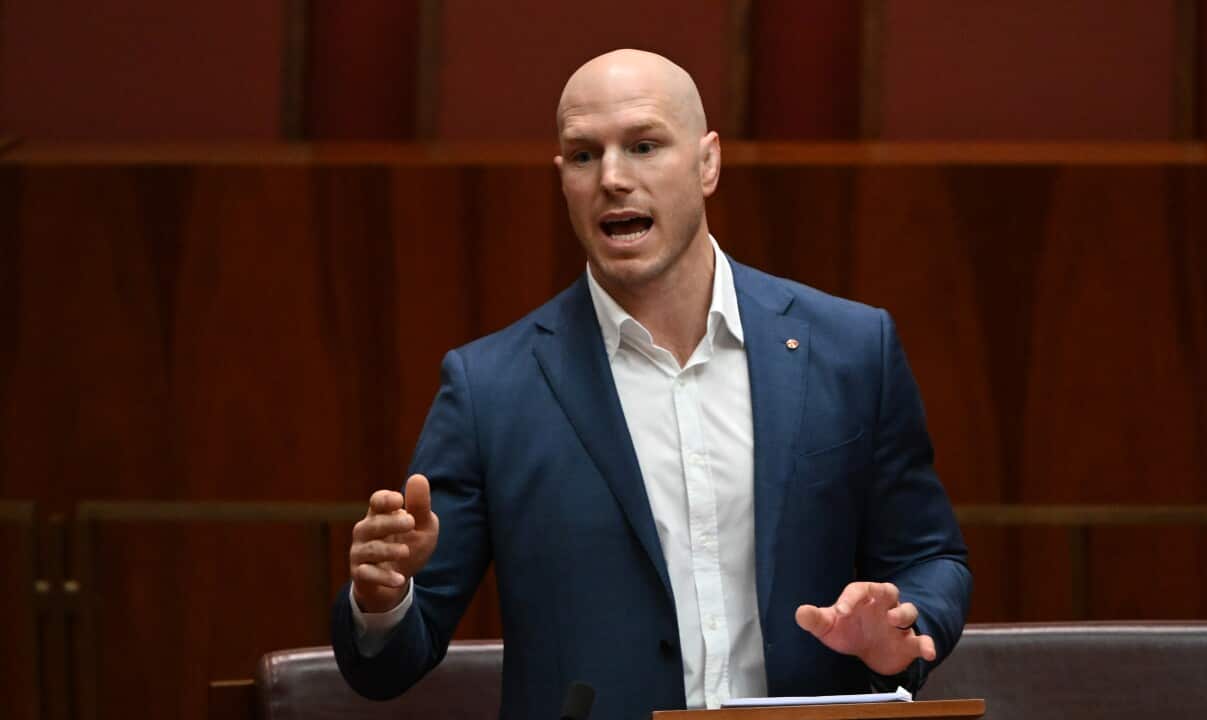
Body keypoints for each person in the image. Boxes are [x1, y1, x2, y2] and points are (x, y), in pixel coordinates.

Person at [331, 49, 971, 719]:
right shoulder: (492, 388)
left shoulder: (849, 349)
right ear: (563, 179)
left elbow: (932, 557)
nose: (612, 178)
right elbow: (391, 662)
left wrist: (905, 621)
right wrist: (383, 599)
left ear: (707, 163)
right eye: (583, 156)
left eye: (643, 146)